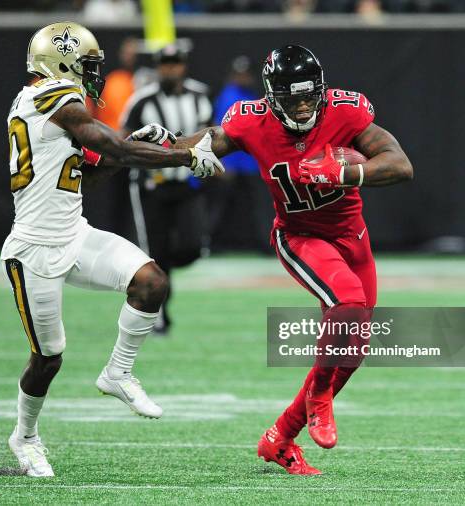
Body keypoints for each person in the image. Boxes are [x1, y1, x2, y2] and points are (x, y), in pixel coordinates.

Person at [173, 45, 412, 475]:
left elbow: (400, 164)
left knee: (353, 350)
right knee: (349, 303)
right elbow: (207, 141)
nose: (303, 106)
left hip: (352, 237)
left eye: (309, 96)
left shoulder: (345, 111)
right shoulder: (251, 119)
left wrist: (346, 172)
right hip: (300, 236)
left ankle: (279, 438)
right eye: (292, 97)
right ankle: (319, 400)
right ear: (271, 96)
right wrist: (165, 147)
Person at [2, 21, 223, 477]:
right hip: (34, 248)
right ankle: (25, 436)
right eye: (87, 64)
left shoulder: (54, 105)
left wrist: (127, 152)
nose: (93, 74)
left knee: (151, 282)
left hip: (74, 233)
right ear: (61, 63)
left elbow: (88, 173)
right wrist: (182, 155)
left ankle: (117, 373)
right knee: (48, 359)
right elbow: (102, 141)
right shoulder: (46, 96)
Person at [121, 44, 213, 334]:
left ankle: (164, 275)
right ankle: (156, 314)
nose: (170, 69)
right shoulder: (142, 100)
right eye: (165, 64)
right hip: (152, 186)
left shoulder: (199, 96)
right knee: (154, 251)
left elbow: (211, 131)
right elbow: (124, 139)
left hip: (186, 183)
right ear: (158, 67)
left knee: (192, 246)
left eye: (175, 63)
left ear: (184, 66)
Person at [211, 55, 274, 253]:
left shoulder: (254, 95)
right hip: (231, 162)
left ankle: (267, 244)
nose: (242, 77)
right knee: (219, 207)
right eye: (239, 74)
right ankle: (208, 243)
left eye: (245, 74)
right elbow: (219, 132)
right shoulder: (227, 96)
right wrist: (222, 163)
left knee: (259, 206)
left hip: (250, 162)